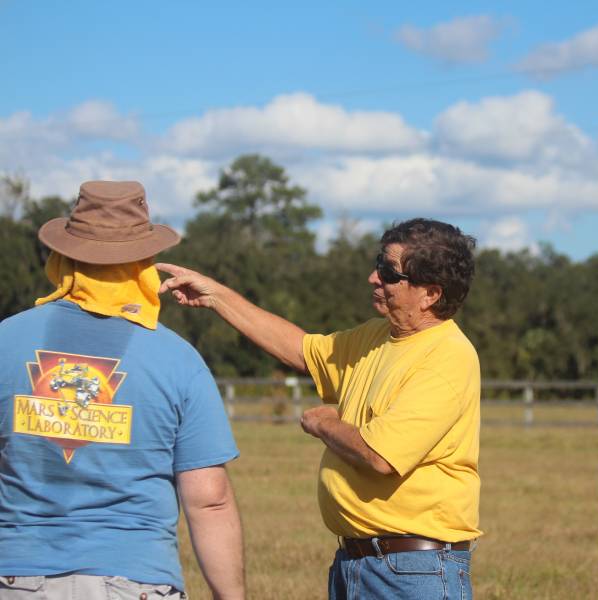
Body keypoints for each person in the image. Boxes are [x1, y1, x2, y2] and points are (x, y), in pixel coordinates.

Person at [158, 217, 481, 600]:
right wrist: (215, 296)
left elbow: (380, 455)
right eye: (377, 264)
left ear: (430, 294)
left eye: (388, 272)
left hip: (414, 572)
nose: (373, 278)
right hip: (359, 563)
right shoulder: (377, 337)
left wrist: (323, 422)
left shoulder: (446, 358)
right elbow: (301, 350)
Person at [0, 181, 244, 600]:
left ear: (63, 256)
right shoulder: (178, 359)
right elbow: (210, 500)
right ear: (143, 262)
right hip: (137, 581)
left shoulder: (6, 340)